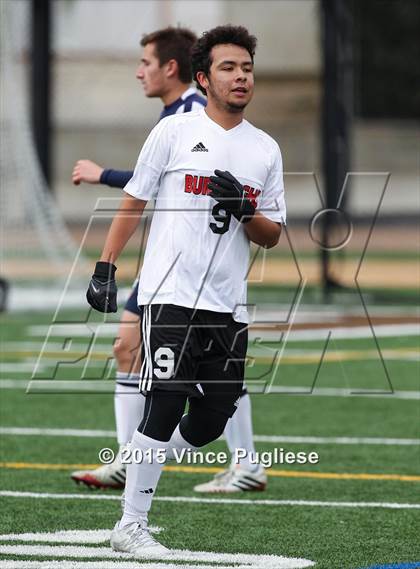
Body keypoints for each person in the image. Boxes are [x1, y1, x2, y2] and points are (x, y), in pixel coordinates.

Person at [87, 24, 286, 556]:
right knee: (164, 403)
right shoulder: (174, 132)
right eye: (228, 67)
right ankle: (130, 525)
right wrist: (105, 267)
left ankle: (136, 458)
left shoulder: (265, 149)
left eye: (246, 67)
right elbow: (134, 202)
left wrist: (246, 209)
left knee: (208, 423)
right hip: (169, 295)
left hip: (227, 306)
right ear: (203, 77)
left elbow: (273, 235)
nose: (240, 76)